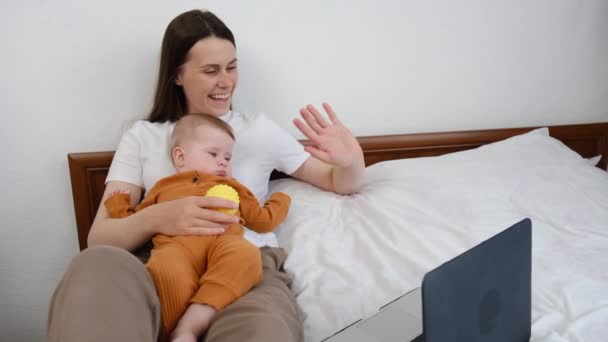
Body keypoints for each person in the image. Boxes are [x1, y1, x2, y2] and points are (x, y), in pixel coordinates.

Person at [48, 9, 365, 342]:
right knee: (96, 266)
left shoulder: (257, 130)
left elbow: (337, 181)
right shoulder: (144, 136)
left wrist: (350, 162)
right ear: (177, 75)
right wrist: (161, 216)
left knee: (261, 329)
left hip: (240, 265)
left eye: (231, 67)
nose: (225, 81)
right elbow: (99, 238)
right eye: (211, 70)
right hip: (157, 260)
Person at [104, 113, 291, 341]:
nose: (223, 161)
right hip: (178, 247)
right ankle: (172, 332)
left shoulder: (234, 188)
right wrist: (118, 205)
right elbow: (139, 217)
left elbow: (262, 219)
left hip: (225, 243)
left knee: (246, 255)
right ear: (180, 157)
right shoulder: (164, 188)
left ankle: (191, 324)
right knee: (165, 267)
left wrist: (281, 200)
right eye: (213, 154)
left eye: (228, 157)